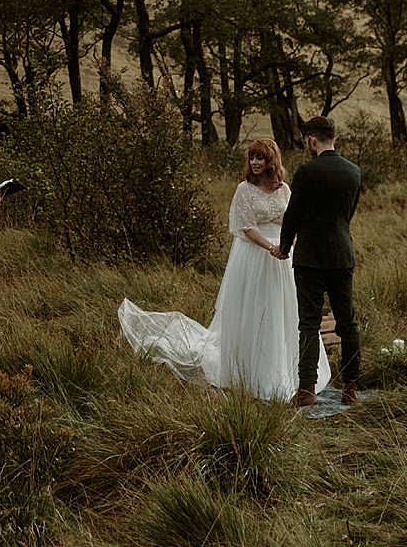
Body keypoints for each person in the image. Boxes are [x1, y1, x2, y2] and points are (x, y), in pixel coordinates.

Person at [119, 139, 329, 402]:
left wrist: (287, 246)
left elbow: (294, 221)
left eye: (260, 158)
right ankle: (251, 369)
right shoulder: (244, 189)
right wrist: (271, 248)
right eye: (251, 157)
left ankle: (292, 369)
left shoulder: (284, 189)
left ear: (271, 161)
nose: (254, 163)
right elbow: (247, 227)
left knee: (284, 309)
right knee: (255, 308)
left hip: (284, 255)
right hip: (255, 254)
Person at [276, 114, 363, 407]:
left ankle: (307, 390)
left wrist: (284, 246)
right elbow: (347, 214)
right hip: (342, 254)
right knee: (347, 323)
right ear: (333, 137)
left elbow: (293, 214)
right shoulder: (354, 172)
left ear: (312, 140)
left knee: (309, 324)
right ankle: (350, 387)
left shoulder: (307, 172)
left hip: (310, 258)